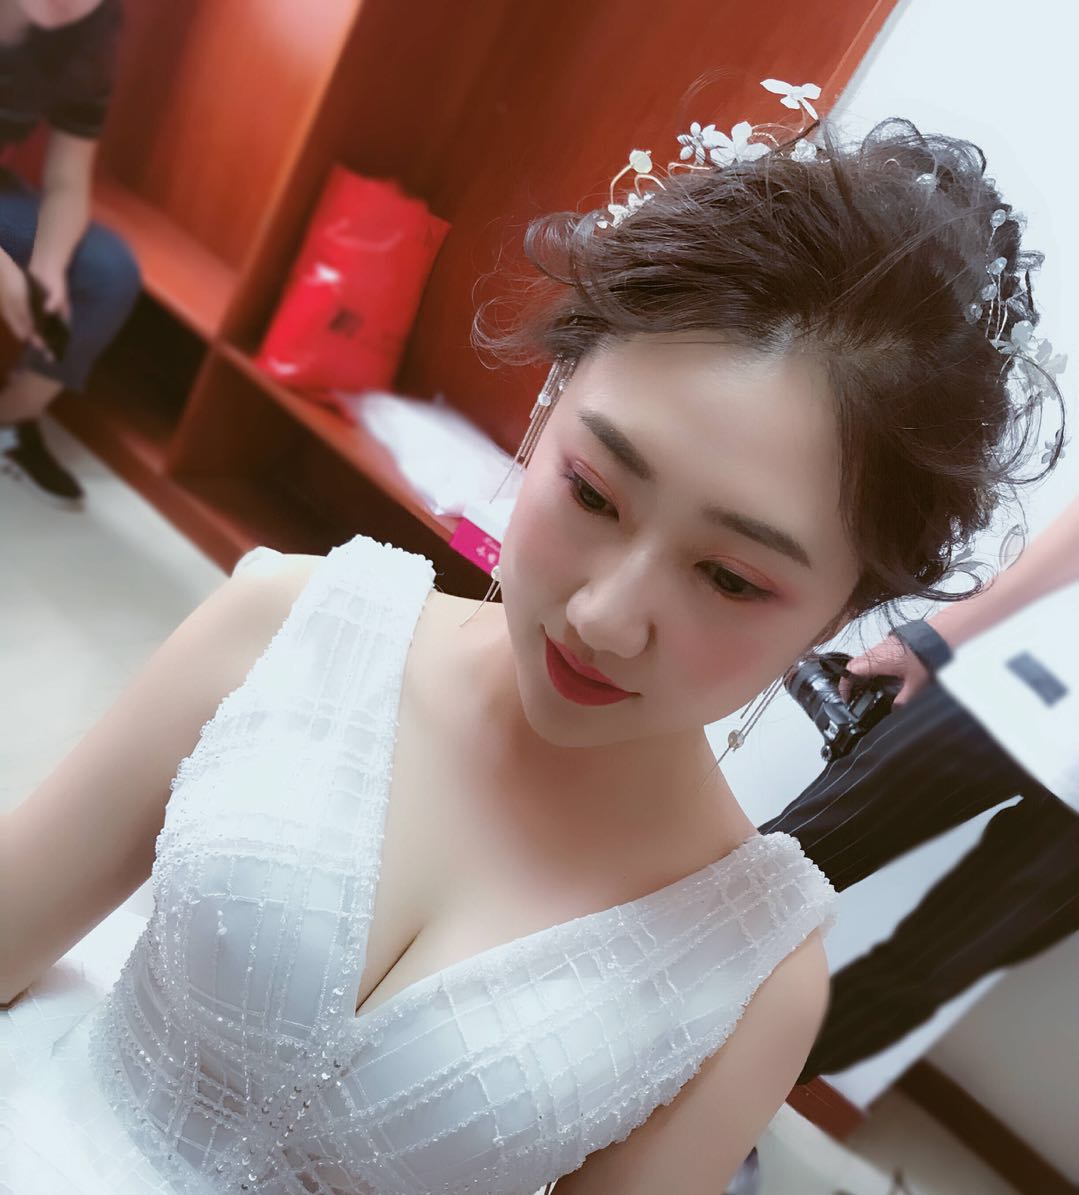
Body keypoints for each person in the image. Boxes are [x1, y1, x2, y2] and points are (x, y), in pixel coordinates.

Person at [0, 85, 1064, 1193]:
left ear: (837, 614)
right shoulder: (285, 622)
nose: (603, 617)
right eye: (593, 493)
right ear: (548, 405)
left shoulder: (751, 981)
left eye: (729, 578)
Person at [761, 494, 1078, 1084]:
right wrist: (935, 640)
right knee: (776, 868)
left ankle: (724, 1099)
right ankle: (591, 1013)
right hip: (1033, 680)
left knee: (923, 975)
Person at [0, 0, 140, 509]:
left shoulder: (85, 48)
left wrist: (49, 267)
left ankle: (13, 419)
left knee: (107, 271)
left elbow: (67, 182)